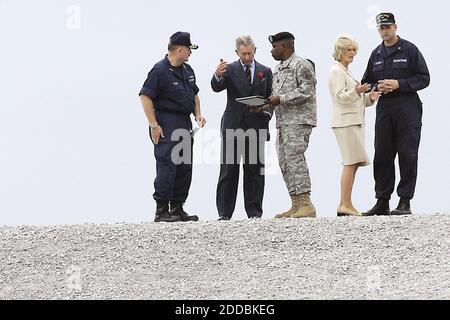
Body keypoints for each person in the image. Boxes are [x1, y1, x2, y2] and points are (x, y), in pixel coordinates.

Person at [361, 13, 430, 216]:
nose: (385, 31)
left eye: (388, 27)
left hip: (407, 107)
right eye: (381, 28)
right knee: (382, 154)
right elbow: (367, 82)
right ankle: (382, 201)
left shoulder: (409, 50)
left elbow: (424, 78)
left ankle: (404, 201)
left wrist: (399, 84)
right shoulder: (376, 54)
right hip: (385, 109)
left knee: (407, 154)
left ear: (395, 27)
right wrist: (377, 86)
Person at [139, 31, 207, 222]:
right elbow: (145, 97)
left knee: (184, 167)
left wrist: (198, 115)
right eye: (189, 49)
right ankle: (161, 210)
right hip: (166, 122)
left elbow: (194, 95)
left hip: (184, 123)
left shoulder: (188, 70)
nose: (190, 53)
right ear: (179, 50)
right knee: (167, 165)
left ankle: (177, 208)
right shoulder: (159, 70)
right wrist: (154, 125)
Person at [211, 36, 273, 220]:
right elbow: (216, 87)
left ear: (255, 50)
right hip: (233, 127)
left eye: (250, 53)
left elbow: (271, 98)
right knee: (228, 170)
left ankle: (254, 213)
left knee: (254, 171)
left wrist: (265, 114)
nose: (247, 57)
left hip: (256, 127)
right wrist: (217, 75)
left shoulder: (266, 71)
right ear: (236, 53)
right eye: (243, 54)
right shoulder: (229, 69)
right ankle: (224, 214)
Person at [328, 35, 382, 217]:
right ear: (340, 51)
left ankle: (346, 203)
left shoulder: (346, 71)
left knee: (354, 163)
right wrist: (357, 91)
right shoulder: (336, 71)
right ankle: (345, 204)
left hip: (353, 122)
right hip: (346, 123)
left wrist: (369, 98)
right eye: (348, 50)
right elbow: (340, 97)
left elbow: (354, 99)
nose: (352, 53)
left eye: (353, 50)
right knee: (350, 162)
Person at [265, 32, 317, 219]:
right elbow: (274, 96)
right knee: (285, 162)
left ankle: (306, 203)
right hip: (283, 122)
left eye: (274, 47)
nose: (272, 51)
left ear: (286, 47)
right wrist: (263, 106)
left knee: (295, 159)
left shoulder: (301, 65)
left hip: (299, 120)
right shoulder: (278, 69)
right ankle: (295, 203)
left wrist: (281, 99)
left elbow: (307, 91)